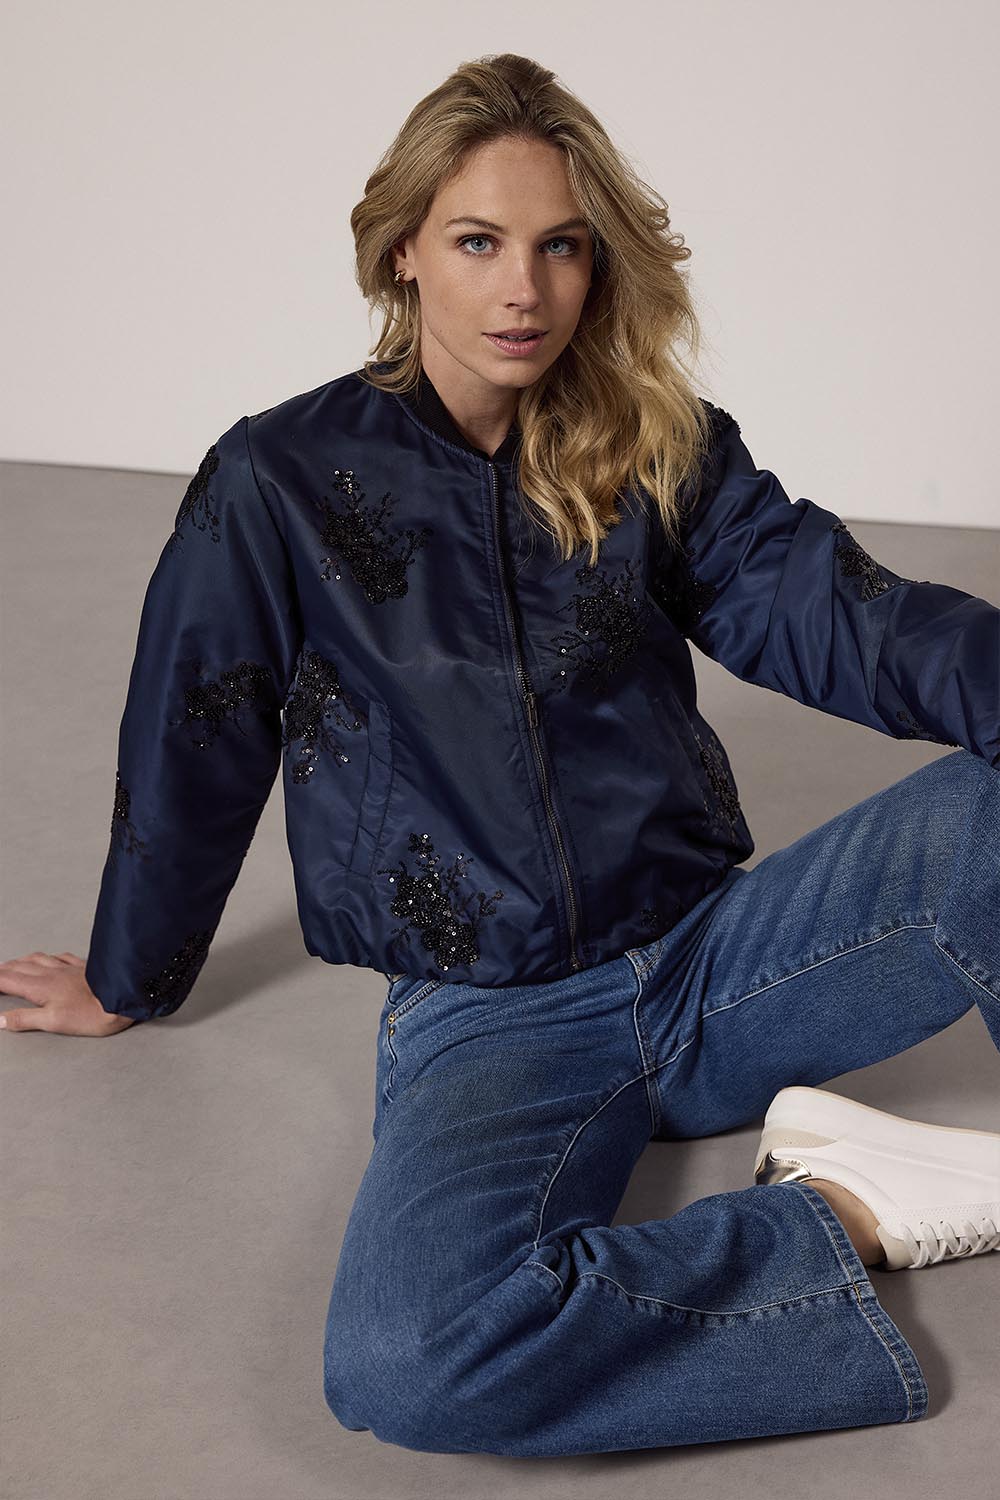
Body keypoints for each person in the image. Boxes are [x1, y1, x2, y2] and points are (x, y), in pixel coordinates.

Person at [2, 52, 998, 1457]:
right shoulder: (279, 479)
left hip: (717, 962)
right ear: (403, 251)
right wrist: (127, 974)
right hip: (492, 1019)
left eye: (560, 247)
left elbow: (847, 617)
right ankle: (847, 1209)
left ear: (598, 265)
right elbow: (196, 728)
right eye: (479, 242)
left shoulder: (653, 445)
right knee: (408, 1362)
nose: (523, 290)